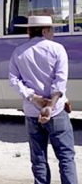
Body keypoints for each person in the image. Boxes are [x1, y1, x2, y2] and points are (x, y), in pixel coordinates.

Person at [9, 15, 77, 184]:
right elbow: (60, 81)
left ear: (29, 31)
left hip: (32, 112)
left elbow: (14, 80)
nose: (53, 33)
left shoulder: (19, 52)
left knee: (38, 159)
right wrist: (50, 106)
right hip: (56, 111)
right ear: (45, 30)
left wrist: (33, 97)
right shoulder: (57, 49)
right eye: (52, 29)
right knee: (66, 157)